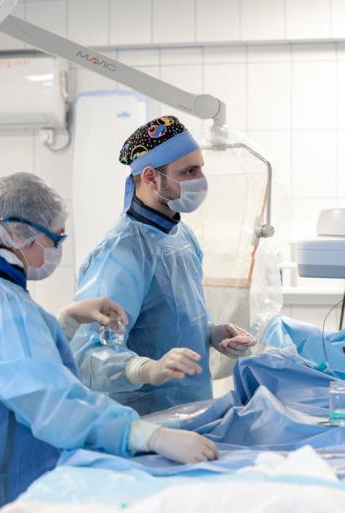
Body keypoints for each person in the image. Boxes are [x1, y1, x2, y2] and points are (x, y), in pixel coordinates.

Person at [0, 173, 218, 513]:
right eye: (55, 238)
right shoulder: (4, 307)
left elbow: (13, 362)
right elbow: (53, 403)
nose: (58, 247)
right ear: (17, 234)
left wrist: (66, 322)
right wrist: (148, 435)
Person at [71, 115, 256, 415]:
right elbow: (88, 354)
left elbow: (167, 320)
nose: (201, 180)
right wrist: (145, 369)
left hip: (191, 410)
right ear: (150, 177)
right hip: (141, 420)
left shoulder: (181, 236)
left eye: (200, 169)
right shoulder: (122, 253)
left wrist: (211, 333)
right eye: (189, 171)